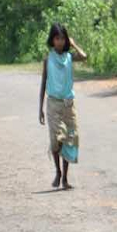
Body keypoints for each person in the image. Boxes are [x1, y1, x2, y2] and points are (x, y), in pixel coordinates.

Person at [38, 23, 87, 189]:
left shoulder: (69, 57)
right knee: (56, 141)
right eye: (57, 38)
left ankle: (65, 178)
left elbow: (85, 56)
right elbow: (43, 83)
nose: (60, 42)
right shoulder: (48, 59)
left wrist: (73, 44)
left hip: (68, 105)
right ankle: (57, 171)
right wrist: (40, 109)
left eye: (62, 38)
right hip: (53, 105)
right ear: (52, 40)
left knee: (70, 139)